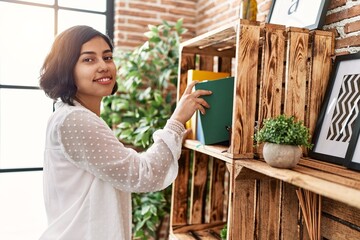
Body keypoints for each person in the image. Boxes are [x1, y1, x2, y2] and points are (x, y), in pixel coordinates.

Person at [38, 25, 211, 240]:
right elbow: (143, 174)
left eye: (108, 57)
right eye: (89, 60)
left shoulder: (71, 114)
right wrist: (177, 121)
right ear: (66, 69)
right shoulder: (75, 119)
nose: (104, 66)